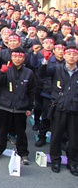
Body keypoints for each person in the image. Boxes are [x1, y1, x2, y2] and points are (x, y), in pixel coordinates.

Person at [0, 47, 36, 165]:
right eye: (15, 56)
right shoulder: (6, 70)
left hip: (21, 107)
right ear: (11, 57)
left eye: (20, 57)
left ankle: (24, 153)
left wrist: (30, 107)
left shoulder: (29, 72)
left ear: (24, 58)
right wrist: (1, 72)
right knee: (2, 130)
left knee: (21, 132)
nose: (17, 59)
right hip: (5, 105)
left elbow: (32, 91)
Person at [40, 45, 78, 175]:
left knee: (74, 139)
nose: (71, 57)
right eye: (69, 54)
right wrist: (44, 61)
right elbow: (42, 73)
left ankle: (73, 163)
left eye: (74, 54)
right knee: (56, 136)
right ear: (64, 55)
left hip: (75, 109)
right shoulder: (57, 68)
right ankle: (55, 160)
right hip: (59, 107)